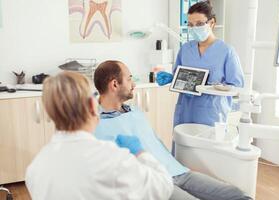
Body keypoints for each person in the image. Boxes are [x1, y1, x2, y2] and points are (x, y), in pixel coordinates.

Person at [93, 60, 252, 200]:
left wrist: (178, 166)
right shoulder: (97, 125)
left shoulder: (134, 111)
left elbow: (156, 143)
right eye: (129, 79)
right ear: (115, 84)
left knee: (237, 194)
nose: (133, 84)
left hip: (180, 172)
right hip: (154, 182)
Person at [25, 71, 173, 200]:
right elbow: (162, 187)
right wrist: (141, 153)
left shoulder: (35, 168)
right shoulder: (111, 157)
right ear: (92, 105)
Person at [158, 0, 244, 127]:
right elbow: (179, 76)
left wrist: (207, 87)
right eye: (190, 25)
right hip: (185, 112)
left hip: (212, 115)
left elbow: (237, 87)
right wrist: (172, 78)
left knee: (207, 145)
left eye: (199, 24)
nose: (194, 29)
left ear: (212, 23)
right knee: (183, 145)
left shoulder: (226, 51)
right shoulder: (185, 49)